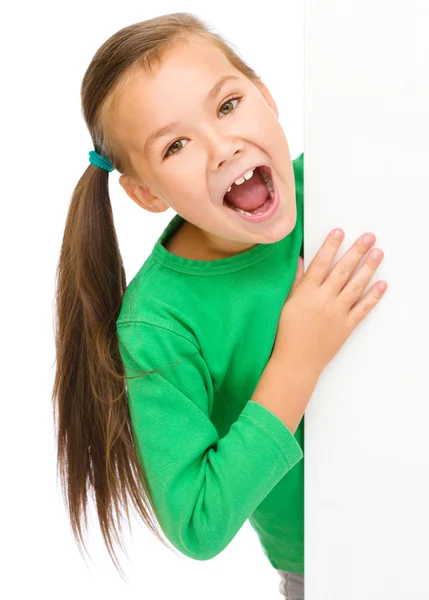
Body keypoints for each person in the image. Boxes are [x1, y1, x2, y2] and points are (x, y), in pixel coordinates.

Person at [52, 12, 387, 598]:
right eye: (176, 144)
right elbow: (198, 521)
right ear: (146, 191)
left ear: (265, 94)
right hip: (337, 571)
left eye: (228, 105)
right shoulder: (160, 322)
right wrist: (296, 362)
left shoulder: (346, 181)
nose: (222, 145)